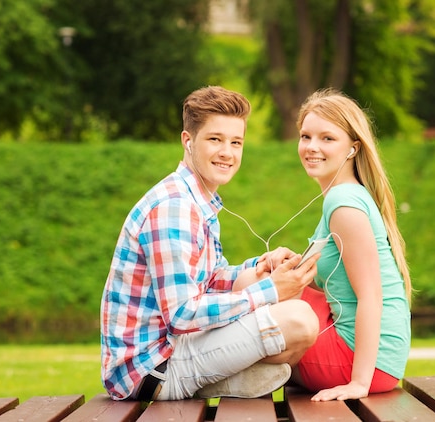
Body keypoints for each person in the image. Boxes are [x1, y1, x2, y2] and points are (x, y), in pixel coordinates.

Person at [100, 86, 320, 402]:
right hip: (151, 368)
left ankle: (221, 381)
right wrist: (270, 291)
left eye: (236, 142)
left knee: (273, 291)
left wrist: (261, 267)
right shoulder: (173, 208)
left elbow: (212, 280)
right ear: (188, 142)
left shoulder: (199, 201)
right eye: (215, 140)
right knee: (299, 318)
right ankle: (218, 381)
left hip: (175, 348)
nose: (227, 152)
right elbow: (182, 314)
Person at [291, 88, 412, 401]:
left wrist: (358, 383)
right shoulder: (343, 195)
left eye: (327, 138)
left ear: (352, 148)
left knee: (262, 301)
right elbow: (326, 285)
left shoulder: (343, 202)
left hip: (359, 362)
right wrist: (293, 264)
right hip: (367, 358)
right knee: (270, 287)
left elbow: (371, 295)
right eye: (306, 136)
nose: (311, 147)